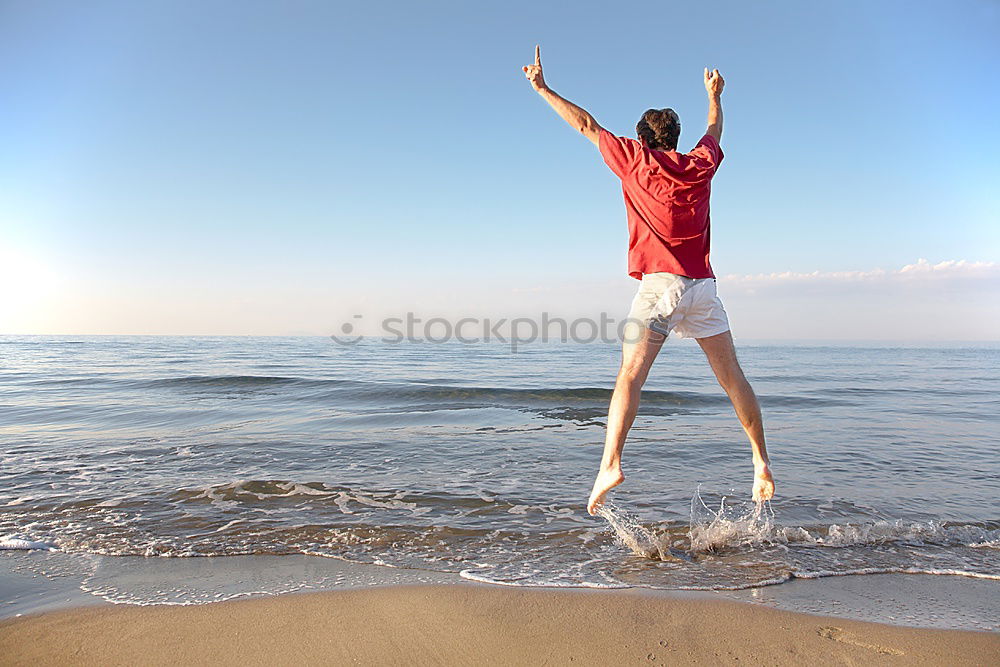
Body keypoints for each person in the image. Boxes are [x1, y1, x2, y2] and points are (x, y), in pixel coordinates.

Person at [522, 46, 775, 516]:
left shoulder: (634, 161)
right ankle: (760, 459)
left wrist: (542, 88)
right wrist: (714, 95)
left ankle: (611, 464)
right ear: (676, 138)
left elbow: (587, 126)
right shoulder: (701, 164)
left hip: (659, 288)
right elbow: (714, 130)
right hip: (702, 288)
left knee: (630, 376)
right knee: (732, 378)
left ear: (640, 137)